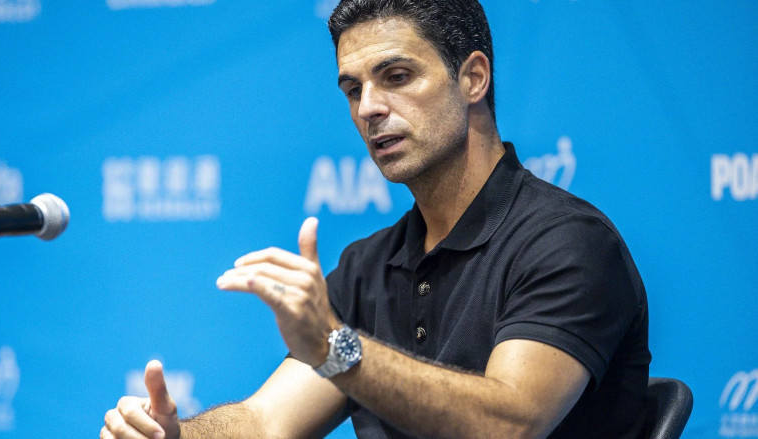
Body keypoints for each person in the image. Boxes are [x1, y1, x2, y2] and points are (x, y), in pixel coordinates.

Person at [101, 0, 651, 437]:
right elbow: (267, 422)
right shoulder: (368, 266)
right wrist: (178, 435)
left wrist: (337, 348)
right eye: (353, 88)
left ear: (473, 78)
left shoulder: (567, 243)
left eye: (397, 76)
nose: (368, 107)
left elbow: (509, 424)